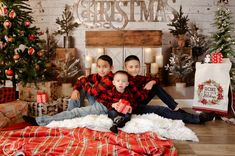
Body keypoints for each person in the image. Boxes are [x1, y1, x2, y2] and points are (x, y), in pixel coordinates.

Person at [124, 55, 216, 124]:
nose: (134, 69)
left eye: (137, 66)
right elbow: (139, 96)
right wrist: (147, 88)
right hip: (133, 107)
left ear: (140, 66)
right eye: (131, 67)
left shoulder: (139, 78)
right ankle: (197, 119)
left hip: (140, 101)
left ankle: (175, 107)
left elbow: (157, 80)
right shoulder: (124, 79)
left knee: (156, 86)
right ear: (126, 68)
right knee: (160, 109)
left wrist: (151, 82)